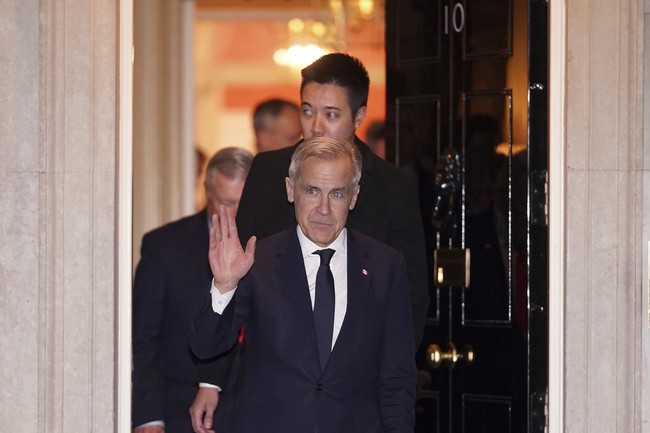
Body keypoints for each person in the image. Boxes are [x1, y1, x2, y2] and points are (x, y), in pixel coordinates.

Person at [190, 52, 428, 433]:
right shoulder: (269, 173)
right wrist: (212, 379)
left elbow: (406, 313)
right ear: (292, 189)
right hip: (273, 404)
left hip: (354, 405)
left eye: (331, 114)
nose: (317, 126)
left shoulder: (392, 196)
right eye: (307, 111)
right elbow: (235, 279)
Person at [131, 147, 253, 433]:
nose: (235, 213)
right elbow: (145, 338)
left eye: (243, 202)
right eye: (226, 202)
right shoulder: (164, 247)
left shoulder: (271, 246)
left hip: (252, 412)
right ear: (207, 192)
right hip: (181, 411)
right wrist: (149, 418)